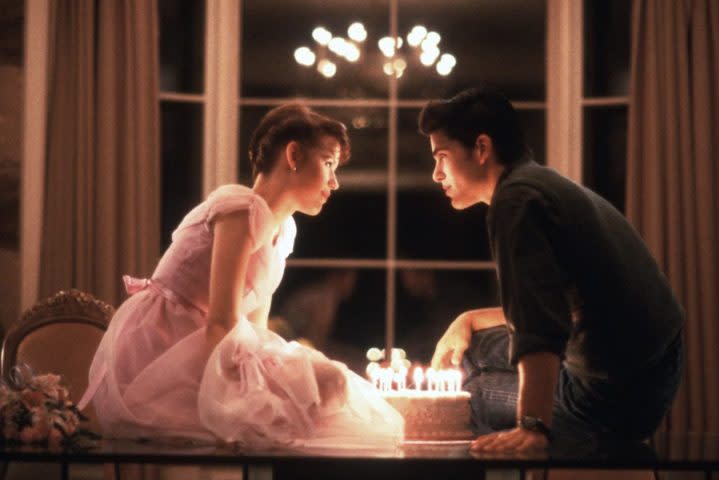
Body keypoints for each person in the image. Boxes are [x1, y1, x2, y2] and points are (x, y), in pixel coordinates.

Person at [78, 104, 402, 449]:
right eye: (328, 164)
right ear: (293, 155)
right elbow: (221, 321)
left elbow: (255, 328)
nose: (334, 183)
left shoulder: (283, 230)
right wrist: (252, 391)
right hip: (167, 347)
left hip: (216, 343)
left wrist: (273, 378)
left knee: (327, 387)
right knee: (315, 392)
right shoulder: (239, 209)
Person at [420, 87, 684, 453]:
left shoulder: (515, 203)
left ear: (481, 149)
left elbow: (539, 328)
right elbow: (558, 305)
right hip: (653, 365)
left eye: (442, 157)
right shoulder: (538, 182)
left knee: (468, 394)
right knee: (473, 350)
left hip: (611, 393)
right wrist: (469, 319)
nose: (436, 174)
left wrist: (533, 426)